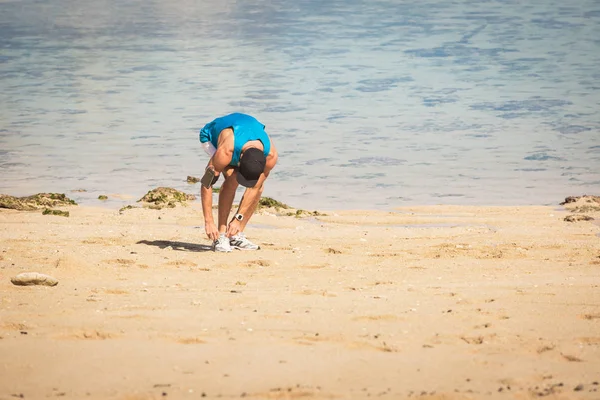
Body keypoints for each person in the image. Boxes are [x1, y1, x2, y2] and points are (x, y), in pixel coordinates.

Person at [198, 113, 278, 252]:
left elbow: (255, 187)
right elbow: (206, 183)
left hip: (244, 137)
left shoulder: (270, 156)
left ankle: (236, 234)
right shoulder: (225, 152)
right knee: (232, 179)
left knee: (258, 187)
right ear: (239, 159)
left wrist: (238, 218)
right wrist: (208, 222)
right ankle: (221, 236)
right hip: (211, 138)